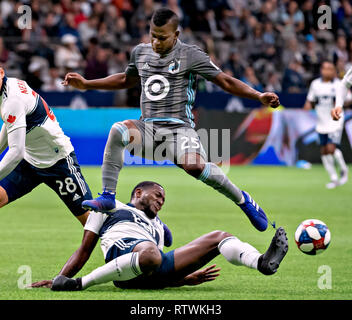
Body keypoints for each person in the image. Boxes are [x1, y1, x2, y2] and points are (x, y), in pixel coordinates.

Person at [62, 8, 280, 232]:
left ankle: (242, 200)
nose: (156, 42)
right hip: (148, 129)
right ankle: (108, 195)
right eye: (152, 35)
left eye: (162, 37)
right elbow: (126, 79)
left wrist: (258, 95)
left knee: (194, 166)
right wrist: (87, 84)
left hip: (180, 131)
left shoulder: (191, 55)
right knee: (118, 129)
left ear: (176, 34)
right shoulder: (140, 52)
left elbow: (225, 81)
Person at [30, 181, 288, 291]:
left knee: (218, 236)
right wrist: (62, 278)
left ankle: (261, 263)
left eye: (164, 199)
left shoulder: (158, 229)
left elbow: (156, 272)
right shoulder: (110, 206)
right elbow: (84, 249)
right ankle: (79, 284)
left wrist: (183, 279)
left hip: (147, 264)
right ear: (139, 192)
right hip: (124, 262)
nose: (161, 202)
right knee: (152, 253)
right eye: (158, 196)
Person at [0, 67, 92, 225]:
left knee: (92, 222)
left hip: (58, 161)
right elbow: (10, 125)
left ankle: (127, 242)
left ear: (1, 73)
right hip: (30, 161)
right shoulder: (11, 85)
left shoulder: (12, 100)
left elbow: (16, 152)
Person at [304, 61, 350, 189]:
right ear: (321, 70)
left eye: (330, 69)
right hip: (321, 122)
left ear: (334, 71)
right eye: (325, 69)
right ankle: (334, 178)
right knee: (324, 150)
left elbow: (348, 98)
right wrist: (307, 106)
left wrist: (340, 104)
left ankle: (343, 170)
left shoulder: (339, 84)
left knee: (331, 148)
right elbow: (311, 101)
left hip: (335, 121)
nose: (327, 71)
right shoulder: (315, 84)